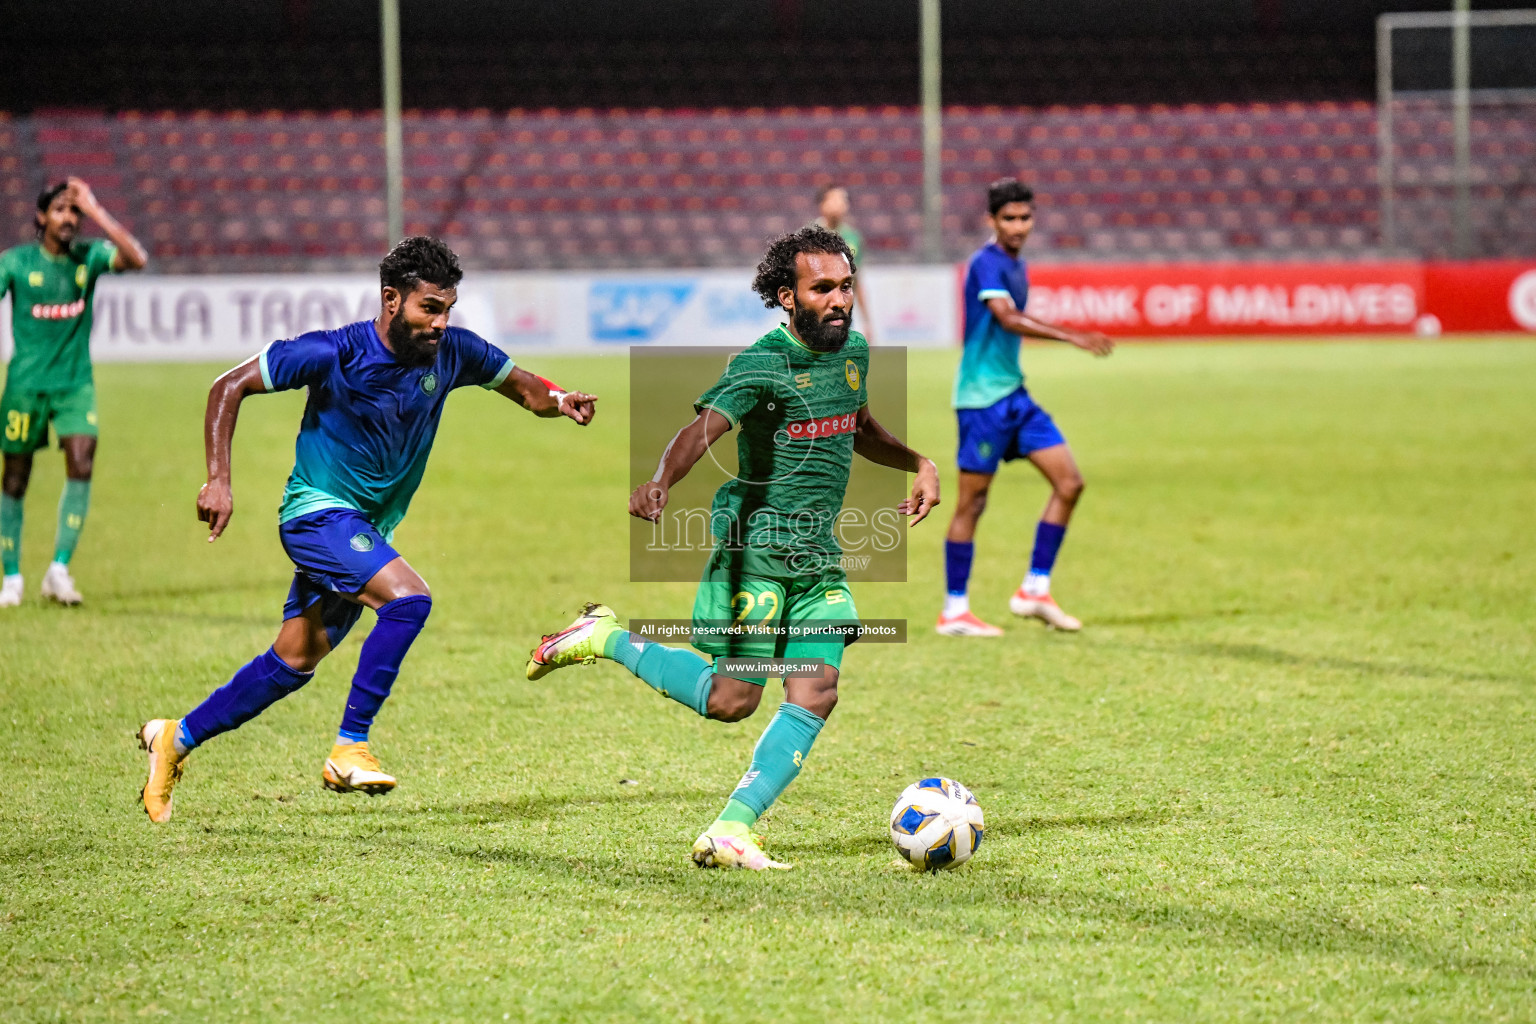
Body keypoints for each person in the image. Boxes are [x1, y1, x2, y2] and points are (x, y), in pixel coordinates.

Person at [137, 237, 597, 823]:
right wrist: (218, 479)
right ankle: (348, 748)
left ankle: (174, 740)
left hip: (363, 527)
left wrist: (562, 400)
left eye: (449, 308)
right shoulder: (332, 352)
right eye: (429, 308)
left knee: (292, 663)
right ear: (391, 299)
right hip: (317, 515)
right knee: (408, 601)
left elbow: (527, 389)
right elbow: (228, 386)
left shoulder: (454, 352)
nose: (440, 322)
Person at [526, 226, 939, 870]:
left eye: (846, 286)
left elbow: (857, 425)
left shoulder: (854, 351)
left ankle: (731, 829)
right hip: (757, 551)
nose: (839, 300)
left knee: (817, 689)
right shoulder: (760, 364)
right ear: (787, 295)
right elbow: (702, 430)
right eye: (822, 288)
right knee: (732, 701)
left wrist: (920, 463)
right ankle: (605, 636)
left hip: (819, 556)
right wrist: (661, 481)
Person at [935, 178, 1114, 637]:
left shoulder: (1019, 264)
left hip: (1014, 397)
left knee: (1069, 483)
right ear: (992, 221)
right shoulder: (985, 264)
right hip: (981, 402)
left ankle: (1035, 589)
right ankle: (955, 610)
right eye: (1009, 218)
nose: (1018, 226)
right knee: (972, 503)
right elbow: (1007, 318)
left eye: (1025, 217)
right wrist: (1072, 335)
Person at [0, 178, 147, 607]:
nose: (69, 218)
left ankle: (58, 570)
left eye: (75, 211)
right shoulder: (16, 263)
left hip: (75, 386)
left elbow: (137, 259)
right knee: (14, 479)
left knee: (81, 461)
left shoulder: (90, 257)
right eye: (61, 209)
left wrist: (97, 209)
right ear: (42, 217)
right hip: (25, 387)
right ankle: (11, 577)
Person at [813, 184, 873, 343]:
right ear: (822, 204)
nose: (840, 204)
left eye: (843, 200)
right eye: (835, 199)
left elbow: (856, 281)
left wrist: (867, 322)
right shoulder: (808, 236)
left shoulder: (853, 238)